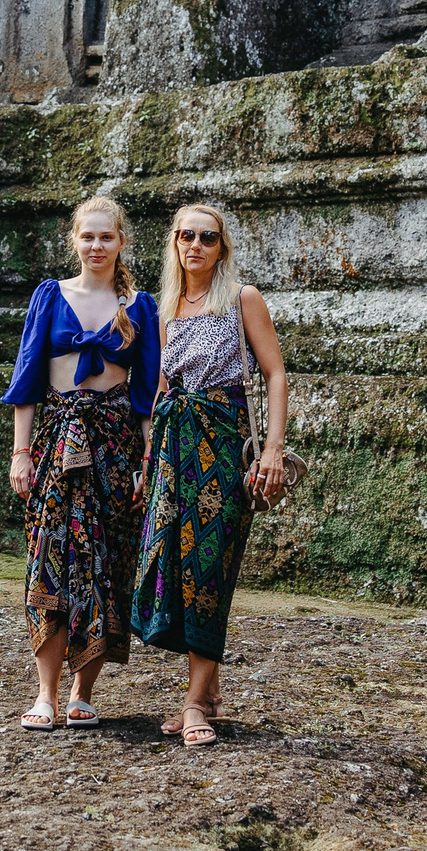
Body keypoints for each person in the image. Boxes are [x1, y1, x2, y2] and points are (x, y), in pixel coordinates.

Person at [0, 195, 160, 731]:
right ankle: (45, 694)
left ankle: (82, 693)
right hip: (55, 440)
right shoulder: (50, 296)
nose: (96, 246)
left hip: (114, 444)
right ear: (75, 240)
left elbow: (146, 394)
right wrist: (20, 453)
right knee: (49, 557)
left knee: (105, 561)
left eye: (106, 237)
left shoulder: (139, 306)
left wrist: (148, 461)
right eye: (87, 236)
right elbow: (26, 380)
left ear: (122, 242)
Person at [133, 201, 288, 746]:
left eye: (208, 237)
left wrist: (272, 451)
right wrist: (147, 460)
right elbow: (159, 389)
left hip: (223, 446)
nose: (195, 244)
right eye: (186, 235)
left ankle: (195, 703)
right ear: (174, 243)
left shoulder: (242, 299)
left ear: (222, 248)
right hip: (173, 449)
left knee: (209, 566)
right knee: (175, 565)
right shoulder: (165, 309)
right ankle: (212, 693)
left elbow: (274, 374)